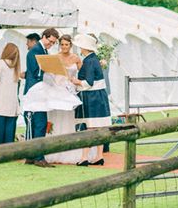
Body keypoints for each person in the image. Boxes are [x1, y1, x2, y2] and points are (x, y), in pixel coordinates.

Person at [71, 34, 112, 166]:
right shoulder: (94, 59)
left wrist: (75, 81)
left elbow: (88, 82)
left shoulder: (89, 61)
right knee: (98, 128)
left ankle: (84, 157)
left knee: (89, 128)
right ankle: (99, 156)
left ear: (84, 47)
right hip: (99, 97)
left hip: (92, 99)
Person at [22, 27, 60, 167]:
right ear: (44, 36)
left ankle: (33, 156)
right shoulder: (35, 51)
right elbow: (35, 72)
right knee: (37, 124)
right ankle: (37, 157)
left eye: (53, 43)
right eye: (50, 41)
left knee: (40, 124)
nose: (51, 45)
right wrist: (49, 68)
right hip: (34, 92)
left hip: (40, 91)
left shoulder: (43, 51)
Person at [45, 35, 84, 164]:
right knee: (56, 117)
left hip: (71, 91)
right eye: (62, 44)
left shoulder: (76, 58)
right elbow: (49, 75)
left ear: (70, 45)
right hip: (57, 91)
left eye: (66, 44)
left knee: (69, 119)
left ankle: (70, 149)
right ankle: (55, 149)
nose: (64, 47)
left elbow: (83, 73)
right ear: (59, 45)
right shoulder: (55, 57)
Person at [0, 42, 21, 145]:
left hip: (0, 102)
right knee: (9, 130)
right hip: (12, 103)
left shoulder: (0, 63)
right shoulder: (16, 66)